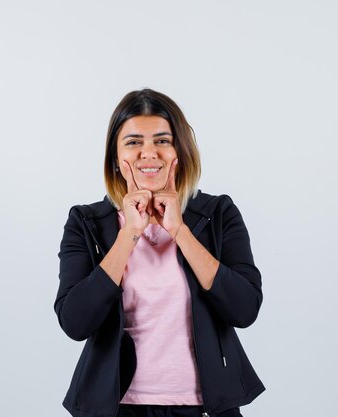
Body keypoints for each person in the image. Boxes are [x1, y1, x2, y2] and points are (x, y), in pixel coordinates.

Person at [55, 89, 265, 417]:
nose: (148, 153)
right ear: (115, 157)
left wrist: (179, 230)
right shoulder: (86, 222)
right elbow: (75, 322)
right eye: (134, 142)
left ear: (179, 151)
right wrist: (129, 234)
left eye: (162, 141)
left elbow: (245, 309)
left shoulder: (219, 214)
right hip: (117, 407)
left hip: (205, 408)